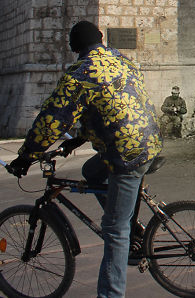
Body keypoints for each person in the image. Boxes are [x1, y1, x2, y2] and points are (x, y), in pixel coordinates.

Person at [6, 21, 162, 298]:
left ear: (75, 47)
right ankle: (131, 223)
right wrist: (77, 140)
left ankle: (111, 293)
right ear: (101, 39)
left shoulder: (80, 73)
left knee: (114, 229)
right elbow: (108, 108)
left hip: (126, 155)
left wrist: (26, 156)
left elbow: (52, 120)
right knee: (92, 171)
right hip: (149, 140)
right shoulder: (121, 60)